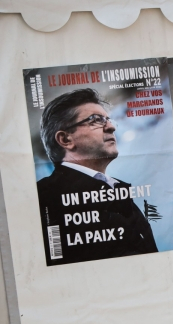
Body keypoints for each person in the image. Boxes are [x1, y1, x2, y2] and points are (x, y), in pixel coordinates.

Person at [37, 88, 158, 265]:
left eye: (107, 119)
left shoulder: (118, 191)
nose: (111, 126)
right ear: (65, 140)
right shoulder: (43, 198)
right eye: (95, 120)